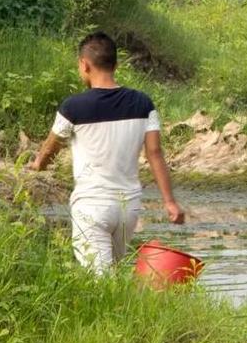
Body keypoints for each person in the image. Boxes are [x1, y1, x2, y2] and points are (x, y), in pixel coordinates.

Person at [29, 31, 185, 273]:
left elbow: (52, 144)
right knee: (112, 273)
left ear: (84, 64)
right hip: (128, 208)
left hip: (92, 205)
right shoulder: (143, 103)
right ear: (116, 65)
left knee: (100, 284)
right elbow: (155, 153)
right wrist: (170, 202)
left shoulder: (73, 107)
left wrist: (39, 163)